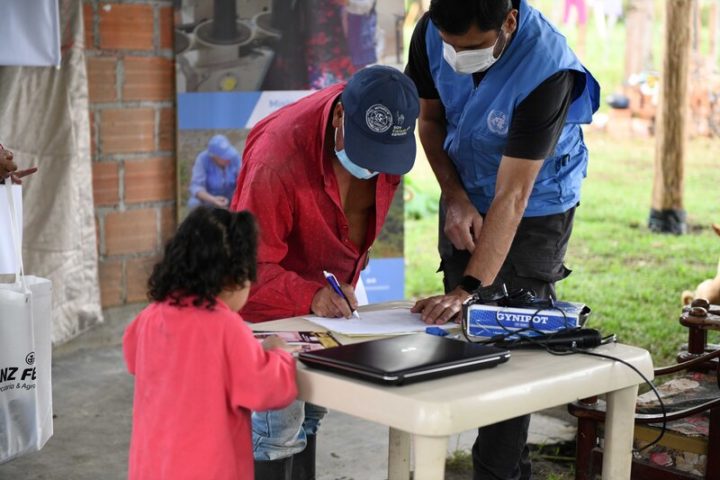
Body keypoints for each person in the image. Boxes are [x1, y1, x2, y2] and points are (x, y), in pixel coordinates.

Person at [405, 0, 599, 478]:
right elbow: (430, 122)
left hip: (535, 203)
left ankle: (498, 470)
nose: (455, 56)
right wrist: (453, 196)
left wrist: (470, 289)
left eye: (470, 48)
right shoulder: (432, 29)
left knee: (507, 340)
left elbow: (513, 196)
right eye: (449, 47)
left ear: (508, 22)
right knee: (465, 338)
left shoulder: (547, 69)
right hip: (466, 185)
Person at [230, 64, 419, 479]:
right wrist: (312, 295)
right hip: (270, 302)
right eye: (367, 153)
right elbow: (244, 270)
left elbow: (358, 228)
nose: (374, 169)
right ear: (339, 117)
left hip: (326, 306)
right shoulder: (276, 158)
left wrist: (335, 288)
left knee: (312, 410)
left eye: (383, 159)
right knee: (275, 427)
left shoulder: (387, 146)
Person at [122, 207, 298, 480]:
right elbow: (266, 391)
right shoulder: (227, 328)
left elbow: (133, 356)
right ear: (235, 278)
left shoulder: (150, 316)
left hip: (152, 467)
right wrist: (278, 355)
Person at [187, 134, 241, 209]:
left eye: (229, 154)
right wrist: (213, 200)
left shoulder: (235, 157)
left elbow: (243, 180)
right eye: (224, 156)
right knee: (194, 203)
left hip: (232, 197)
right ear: (213, 157)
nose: (228, 158)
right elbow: (196, 186)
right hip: (210, 198)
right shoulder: (202, 159)